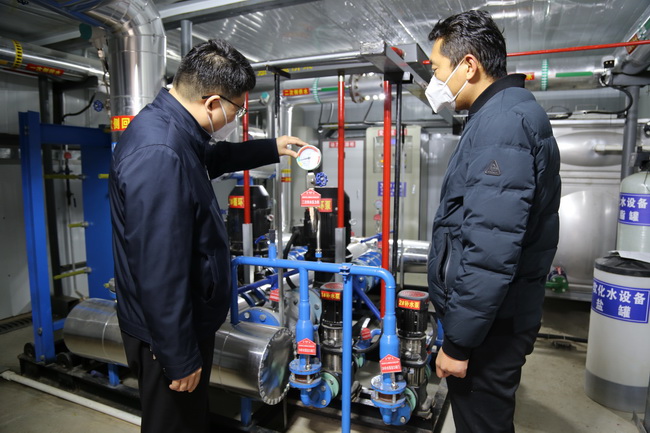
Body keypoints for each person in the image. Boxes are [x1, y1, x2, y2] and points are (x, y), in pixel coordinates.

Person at [109, 39, 308, 433]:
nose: (237, 116)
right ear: (214, 102)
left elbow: (211, 158)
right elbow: (158, 268)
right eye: (238, 109)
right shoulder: (160, 151)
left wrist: (273, 147)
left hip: (181, 325)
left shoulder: (174, 128)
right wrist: (179, 355)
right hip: (166, 337)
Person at [425, 10, 561, 433]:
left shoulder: (502, 123)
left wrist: (458, 342)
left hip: (491, 327)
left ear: (468, 66)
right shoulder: (503, 113)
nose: (435, 80)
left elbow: (490, 248)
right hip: (496, 317)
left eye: (437, 69)